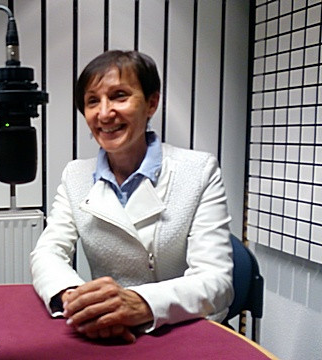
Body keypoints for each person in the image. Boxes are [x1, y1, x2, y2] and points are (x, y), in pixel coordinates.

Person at [30, 50, 233, 343]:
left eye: (119, 96)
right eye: (92, 101)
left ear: (151, 103)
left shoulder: (199, 171)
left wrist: (140, 304)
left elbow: (216, 281)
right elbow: (48, 253)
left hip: (180, 327)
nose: (104, 113)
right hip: (107, 330)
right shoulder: (75, 176)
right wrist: (76, 299)